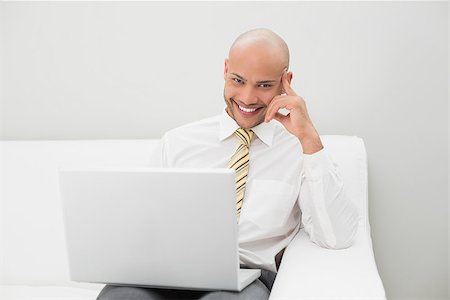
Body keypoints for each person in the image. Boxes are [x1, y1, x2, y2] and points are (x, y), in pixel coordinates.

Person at [97, 28, 359, 300]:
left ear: (286, 82)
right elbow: (144, 225)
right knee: (122, 296)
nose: (247, 98)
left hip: (247, 277)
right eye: (238, 80)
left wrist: (309, 139)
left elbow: (336, 237)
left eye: (264, 85)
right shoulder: (178, 142)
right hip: (174, 271)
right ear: (225, 70)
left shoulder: (299, 150)